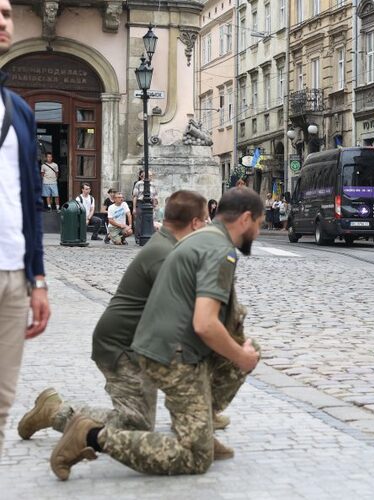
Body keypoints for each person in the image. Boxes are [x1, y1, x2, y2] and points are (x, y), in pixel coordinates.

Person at [51, 187, 263, 479]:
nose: (259, 233)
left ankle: (200, 425)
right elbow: (205, 323)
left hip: (163, 346)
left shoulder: (202, 238)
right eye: (260, 225)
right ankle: (90, 435)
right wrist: (241, 357)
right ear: (246, 218)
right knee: (194, 457)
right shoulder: (218, 250)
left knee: (247, 349)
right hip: (173, 354)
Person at [17, 191, 208, 443]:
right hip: (119, 347)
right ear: (194, 222)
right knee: (135, 425)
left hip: (137, 344)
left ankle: (205, 413)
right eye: (205, 220)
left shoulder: (169, 245)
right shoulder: (165, 253)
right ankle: (54, 411)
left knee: (141, 420)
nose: (207, 225)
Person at [0, 0, 51, 453]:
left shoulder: (18, 109)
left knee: (1, 401)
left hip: (14, 274)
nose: (2, 22)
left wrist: (38, 278)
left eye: (5, 13)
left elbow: (31, 198)